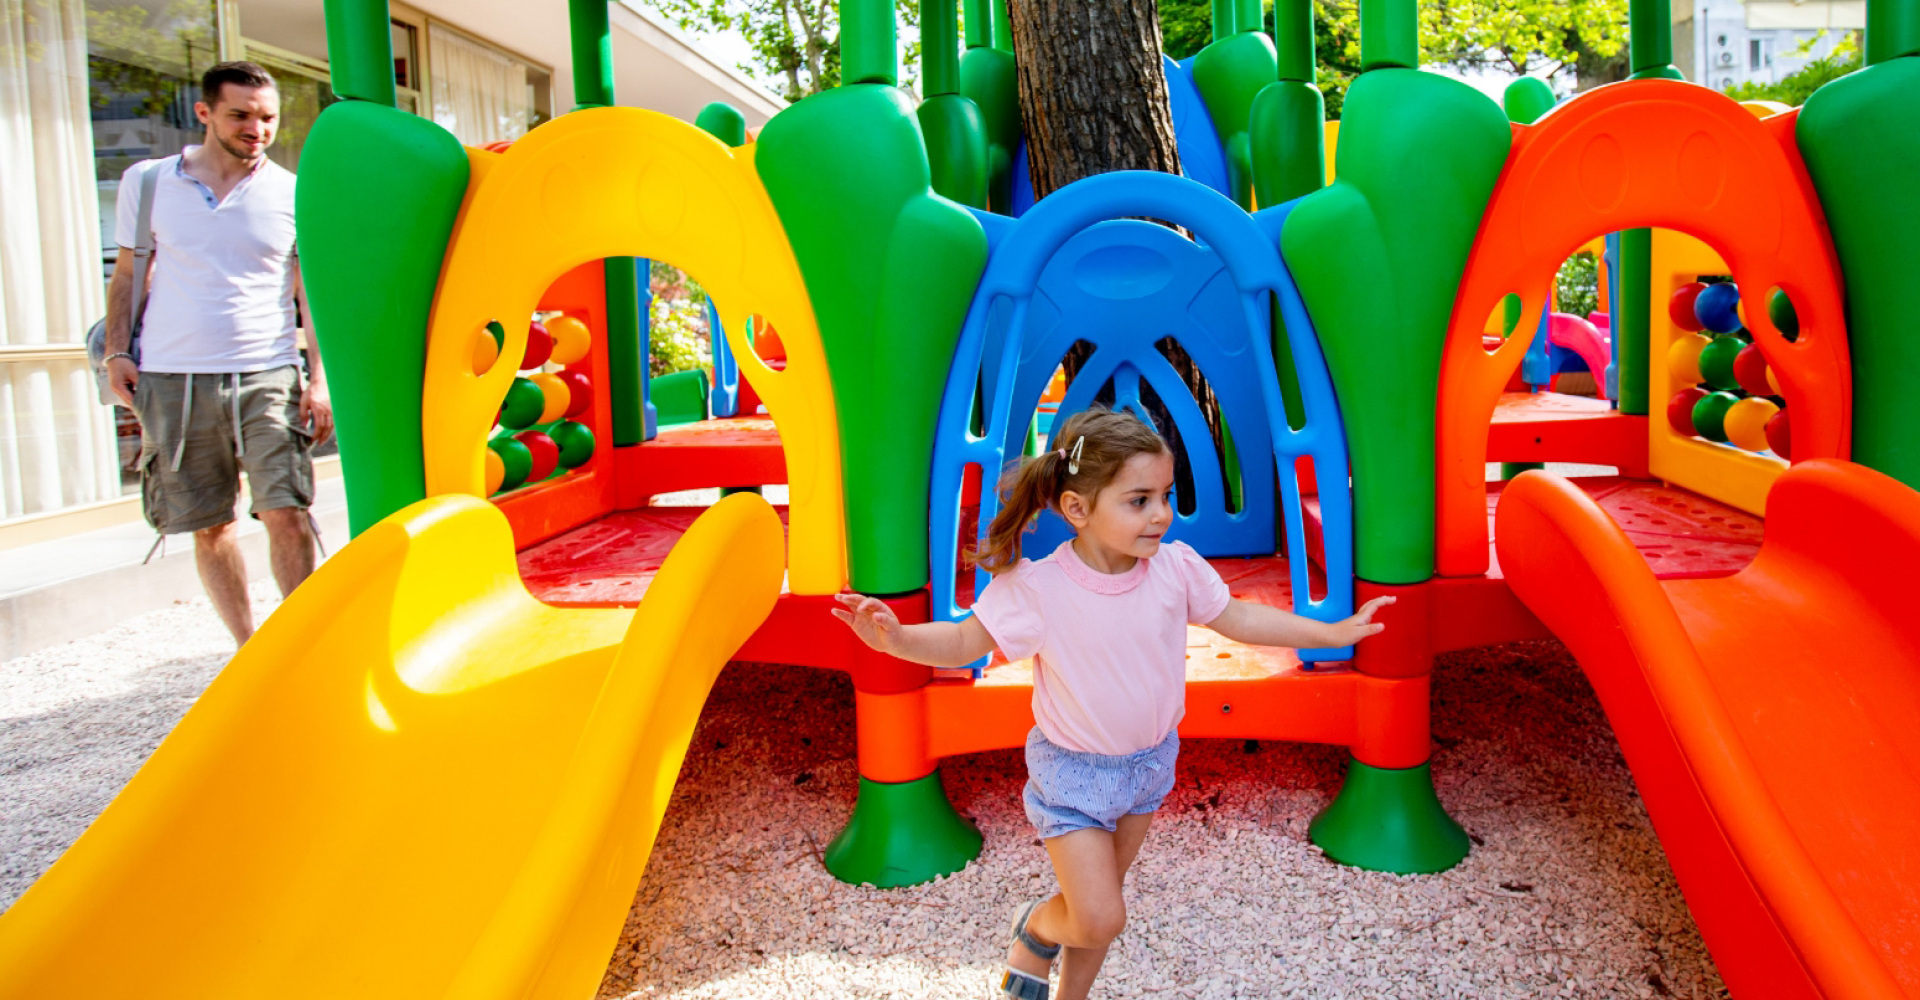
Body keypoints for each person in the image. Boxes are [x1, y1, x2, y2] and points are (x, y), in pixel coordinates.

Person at [833, 408, 1393, 1000]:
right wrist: (896, 639)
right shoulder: (1039, 588)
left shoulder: (1174, 567)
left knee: (1102, 907)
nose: (1161, 514)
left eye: (1165, 495)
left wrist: (1330, 633)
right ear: (1078, 509)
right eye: (1140, 500)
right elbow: (966, 641)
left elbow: (1240, 617)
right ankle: (1036, 928)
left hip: (1149, 765)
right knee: (1099, 915)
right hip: (1072, 775)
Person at [102, 60, 332, 647]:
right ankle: (248, 649)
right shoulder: (148, 182)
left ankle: (299, 648)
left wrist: (320, 378)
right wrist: (115, 353)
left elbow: (312, 295)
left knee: (287, 509)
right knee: (211, 526)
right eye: (241, 115)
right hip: (172, 376)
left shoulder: (294, 192)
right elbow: (129, 273)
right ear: (205, 113)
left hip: (268, 371)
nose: (257, 128)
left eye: (267, 117)